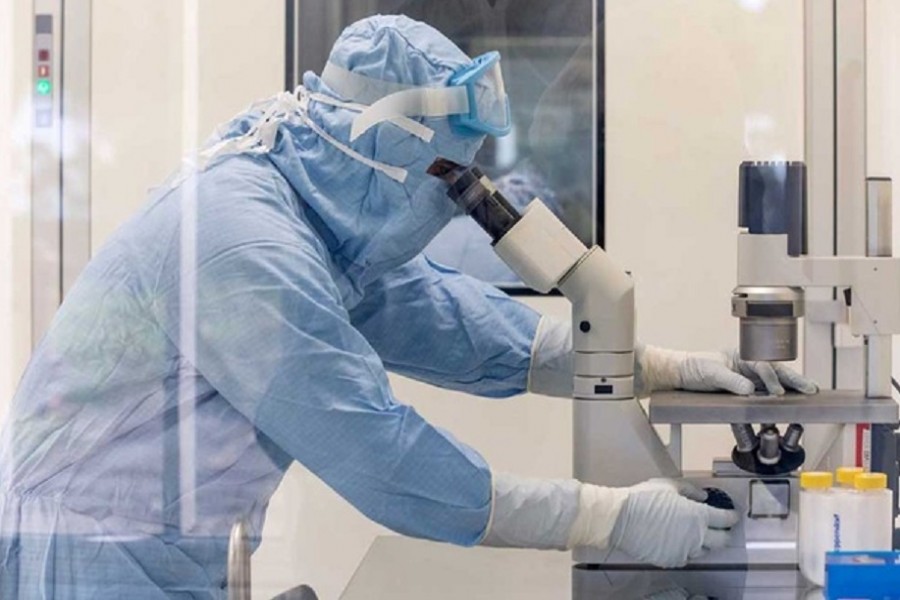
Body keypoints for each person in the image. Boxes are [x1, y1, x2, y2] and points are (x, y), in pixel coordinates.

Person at [0, 15, 817, 598]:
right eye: (445, 180)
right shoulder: (242, 246)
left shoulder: (314, 209)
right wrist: (608, 518)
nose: (452, 206)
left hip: (169, 552)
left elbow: (452, 323)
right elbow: (380, 456)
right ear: (381, 145)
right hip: (86, 562)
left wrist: (653, 365)